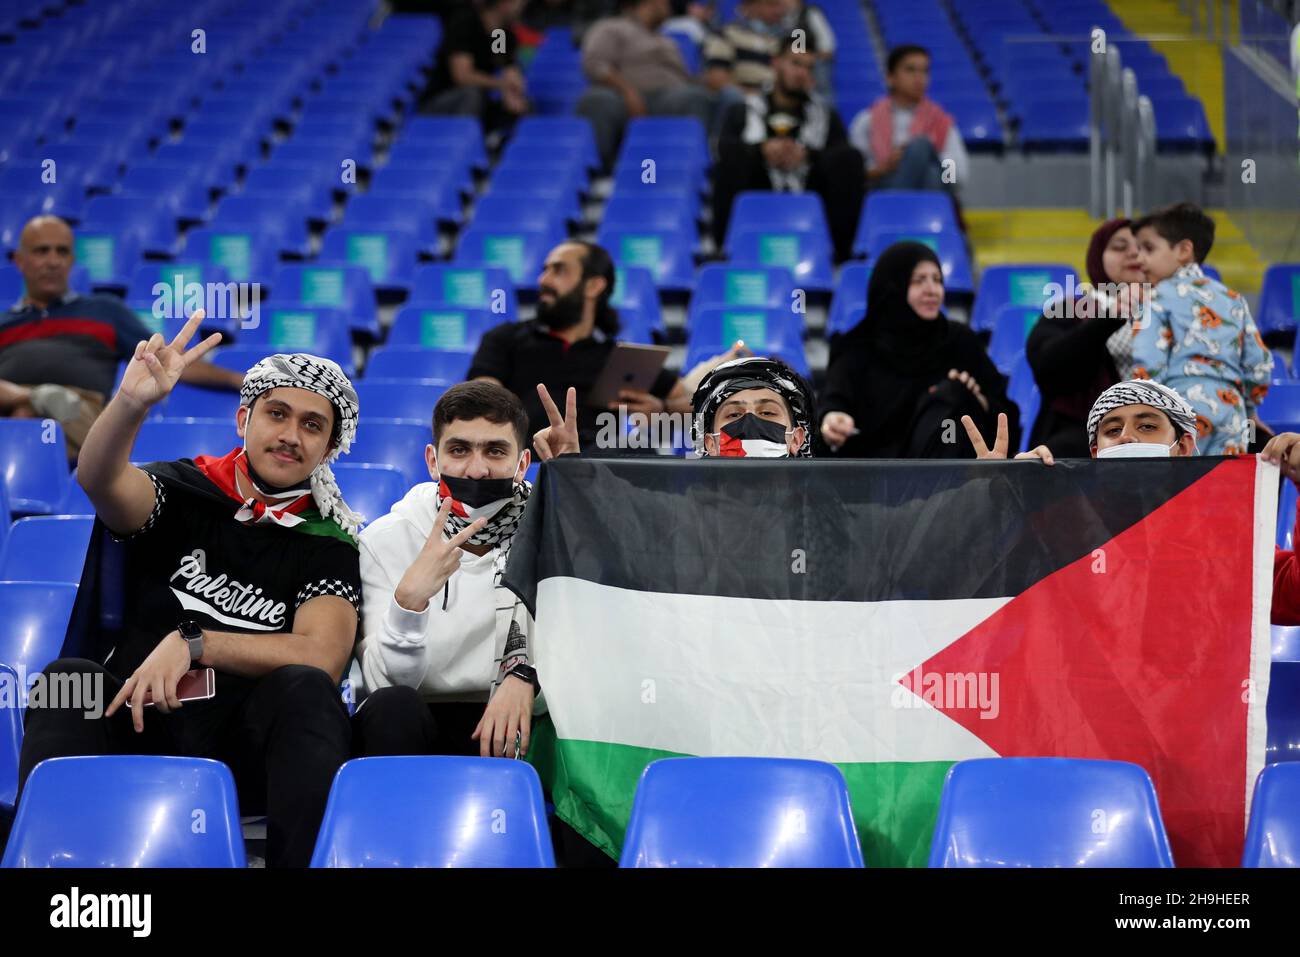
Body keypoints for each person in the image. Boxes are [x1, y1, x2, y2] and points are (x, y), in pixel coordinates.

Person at [18, 320, 364, 868]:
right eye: (277, 413)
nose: (292, 434)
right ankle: (56, 873)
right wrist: (130, 404)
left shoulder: (328, 539)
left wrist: (197, 642)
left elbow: (322, 655)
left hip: (245, 745)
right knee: (68, 683)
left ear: (327, 448)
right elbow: (99, 481)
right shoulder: (184, 491)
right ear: (244, 418)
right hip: (139, 718)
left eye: (313, 425)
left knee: (305, 689)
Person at [353, 381, 542, 761]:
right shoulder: (384, 540)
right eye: (459, 450)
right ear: (432, 460)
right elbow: (381, 686)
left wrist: (528, 676)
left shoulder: (552, 532)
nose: (476, 470)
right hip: (419, 720)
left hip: (522, 714)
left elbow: (584, 655)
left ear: (522, 463)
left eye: (495, 451)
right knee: (393, 709)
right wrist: (409, 604)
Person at [3, 215, 242, 458]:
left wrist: (236, 379)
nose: (53, 261)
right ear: (19, 261)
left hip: (80, 413)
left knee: (28, 416)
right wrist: (30, 396)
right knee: (24, 412)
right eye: (42, 251)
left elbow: (165, 363)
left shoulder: (105, 310)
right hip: (9, 407)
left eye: (62, 252)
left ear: (72, 261)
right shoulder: (4, 324)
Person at [467, 240, 691, 449]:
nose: (543, 280)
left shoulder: (620, 357)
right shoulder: (504, 338)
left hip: (597, 471)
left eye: (559, 270)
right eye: (545, 270)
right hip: (526, 463)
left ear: (593, 286)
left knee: (640, 453)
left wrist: (664, 409)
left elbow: (695, 407)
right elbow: (483, 397)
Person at [819, 241, 1018, 458]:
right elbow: (833, 402)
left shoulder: (960, 341)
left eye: (937, 280)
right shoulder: (858, 346)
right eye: (919, 281)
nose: (932, 290)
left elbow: (1006, 415)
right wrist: (833, 420)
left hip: (953, 481)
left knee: (953, 394)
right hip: (876, 479)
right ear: (893, 286)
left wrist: (979, 402)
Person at [1129, 202, 1274, 455]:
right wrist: (1249, 410)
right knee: (1223, 490)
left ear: (1184, 250)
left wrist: (1142, 415)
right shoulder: (1232, 298)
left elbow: (1147, 362)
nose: (1139, 259)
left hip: (1177, 410)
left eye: (1148, 248)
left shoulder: (1155, 298)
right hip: (1233, 413)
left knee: (1179, 491)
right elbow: (1259, 364)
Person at [711, 33, 863, 262]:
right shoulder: (744, 108)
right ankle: (726, 250)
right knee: (733, 157)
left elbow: (842, 154)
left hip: (808, 195)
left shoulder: (825, 114)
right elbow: (722, 149)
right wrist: (761, 151)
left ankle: (841, 255)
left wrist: (808, 155)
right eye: (795, 63)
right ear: (776, 62)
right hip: (759, 190)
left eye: (808, 67)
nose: (801, 73)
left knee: (848, 159)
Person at [1025, 217, 1148, 458]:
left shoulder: (1178, 312)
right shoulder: (1071, 309)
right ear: (1097, 256)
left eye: (1144, 247)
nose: (1134, 253)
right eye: (1120, 246)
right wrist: (1108, 319)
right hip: (1083, 439)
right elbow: (1047, 368)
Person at [576, 0, 719, 170]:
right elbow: (594, 64)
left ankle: (688, 169)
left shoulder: (666, 39)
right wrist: (628, 92)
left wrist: (708, 82)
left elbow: (685, 78)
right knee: (597, 99)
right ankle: (600, 173)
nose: (668, 7)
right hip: (623, 98)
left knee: (695, 97)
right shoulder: (612, 27)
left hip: (669, 98)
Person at [849, 44, 968, 193]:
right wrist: (885, 167)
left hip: (935, 184)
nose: (919, 78)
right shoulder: (867, 120)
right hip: (882, 186)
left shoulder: (941, 122)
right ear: (890, 78)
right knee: (922, 151)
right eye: (910, 70)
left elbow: (957, 177)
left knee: (927, 159)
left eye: (925, 71)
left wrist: (932, 157)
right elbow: (854, 174)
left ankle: (897, 210)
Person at [423, 0, 530, 131]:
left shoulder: (500, 34)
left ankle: (499, 143)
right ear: (504, 4)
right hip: (442, 100)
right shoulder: (465, 23)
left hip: (482, 99)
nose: (521, 7)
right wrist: (502, 85)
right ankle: (460, 141)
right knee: (472, 95)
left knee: (523, 106)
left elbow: (505, 65)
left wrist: (513, 91)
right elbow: (462, 76)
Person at [702, 0, 789, 95]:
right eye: (771, 4)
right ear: (751, 6)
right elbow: (717, 80)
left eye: (780, 6)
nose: (778, 11)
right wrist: (752, 96)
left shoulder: (784, 41)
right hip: (739, 100)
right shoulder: (725, 35)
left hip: (774, 101)